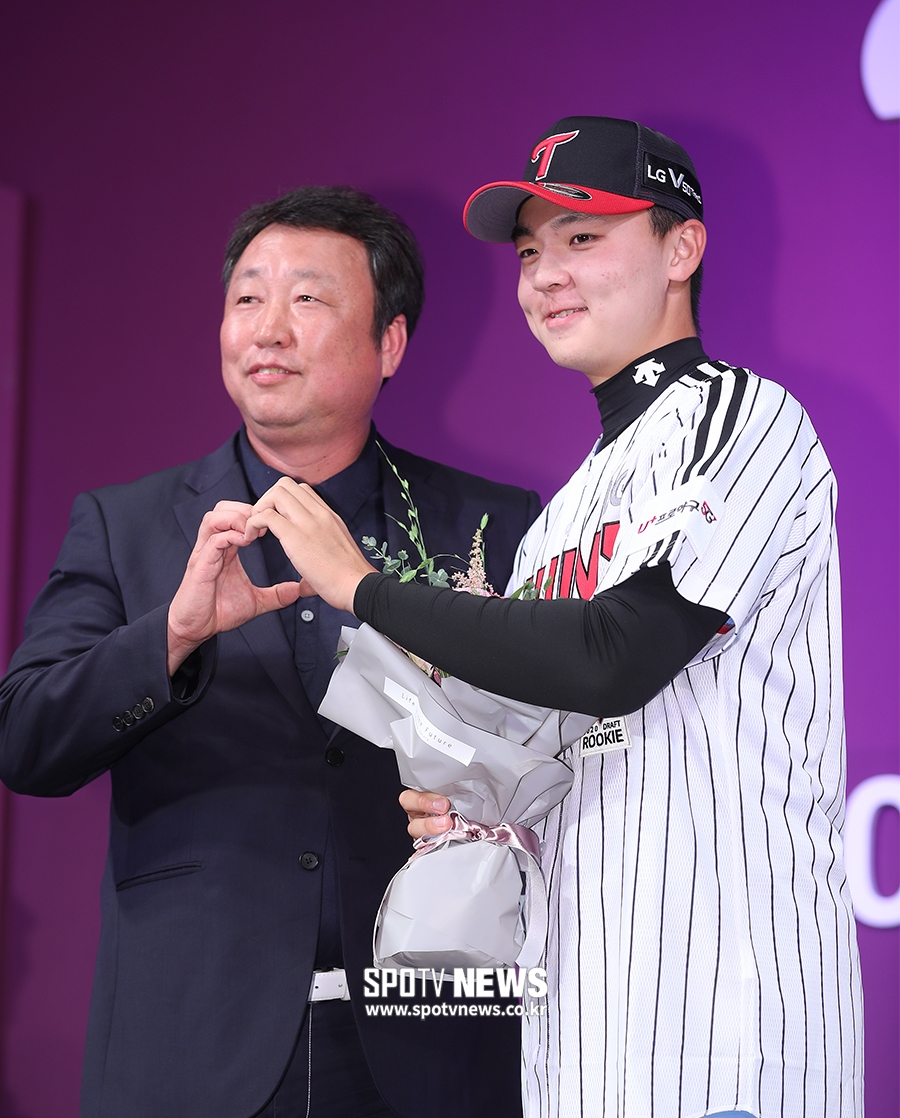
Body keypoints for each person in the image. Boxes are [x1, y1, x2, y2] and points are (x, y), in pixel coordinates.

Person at [240, 120, 864, 1118]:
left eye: (582, 238)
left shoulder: (742, 417)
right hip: (581, 1034)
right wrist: (475, 805)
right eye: (531, 251)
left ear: (681, 247)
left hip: (728, 1029)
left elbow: (618, 655)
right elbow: (553, 755)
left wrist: (361, 585)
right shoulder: (557, 518)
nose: (545, 275)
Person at [0, 186, 540, 1118]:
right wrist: (172, 634)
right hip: (191, 1043)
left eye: (308, 299)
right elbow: (24, 741)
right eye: (247, 298)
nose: (267, 330)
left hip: (440, 1038)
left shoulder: (490, 523)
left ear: (391, 344)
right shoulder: (126, 526)